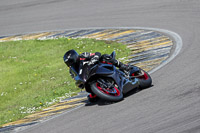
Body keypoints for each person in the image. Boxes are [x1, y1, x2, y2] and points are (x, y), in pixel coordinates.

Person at [63, 49, 138, 102]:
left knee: (105, 56)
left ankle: (123, 66)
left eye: (71, 61)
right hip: (89, 78)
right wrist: (79, 83)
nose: (70, 63)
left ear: (75, 57)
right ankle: (104, 90)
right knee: (92, 99)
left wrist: (95, 57)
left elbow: (97, 53)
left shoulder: (83, 56)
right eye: (68, 63)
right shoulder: (72, 71)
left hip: (98, 67)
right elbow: (76, 78)